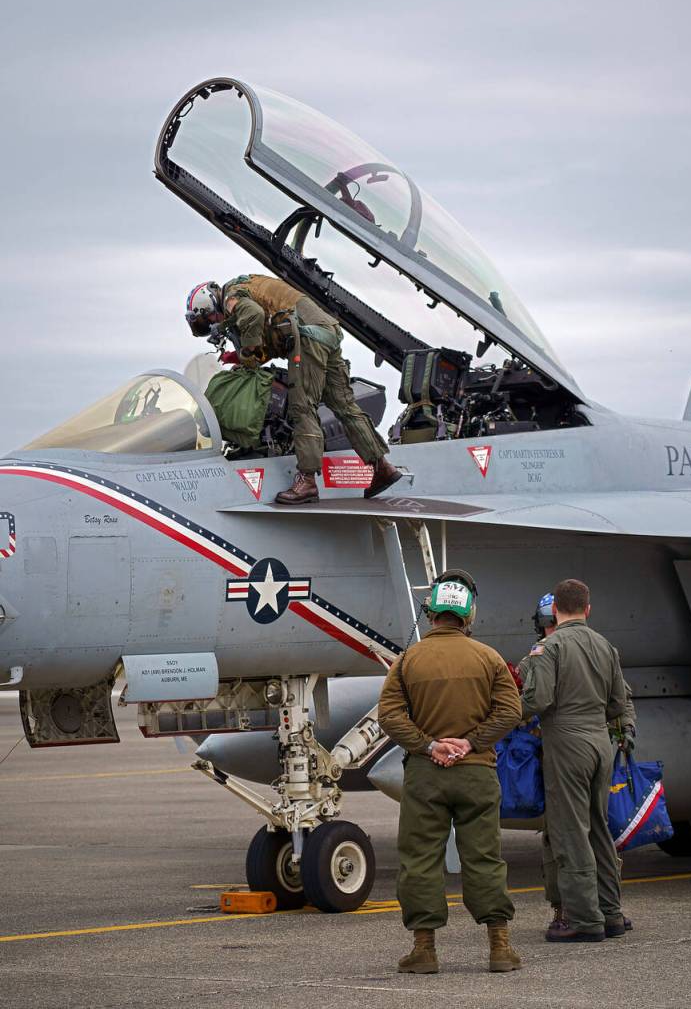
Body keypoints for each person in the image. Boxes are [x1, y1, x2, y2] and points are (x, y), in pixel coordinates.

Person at [377, 570, 523, 975]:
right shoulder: (489, 658)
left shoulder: (408, 660)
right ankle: (500, 948)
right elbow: (511, 710)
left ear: (431, 613)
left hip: (426, 776)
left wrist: (429, 744)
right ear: (468, 614)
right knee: (485, 858)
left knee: (420, 859)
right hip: (477, 774)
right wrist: (471, 742)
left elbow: (388, 714)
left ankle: (424, 951)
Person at [185, 276, 401, 503]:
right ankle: (382, 467)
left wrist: (247, 356)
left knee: (302, 407)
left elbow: (254, 316)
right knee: (345, 406)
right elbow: (274, 329)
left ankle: (307, 482)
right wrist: (240, 354)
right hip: (326, 331)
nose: (212, 323)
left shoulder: (232, 296)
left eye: (207, 318)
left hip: (307, 337)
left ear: (209, 303)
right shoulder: (247, 286)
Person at [519, 592, 636, 938]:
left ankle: (584, 920)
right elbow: (619, 703)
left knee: (570, 831)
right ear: (587, 608)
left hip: (567, 744)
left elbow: (537, 700)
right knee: (599, 827)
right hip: (601, 744)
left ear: (553, 612)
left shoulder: (548, 649)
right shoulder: (605, 645)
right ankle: (611, 913)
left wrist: (501, 718)